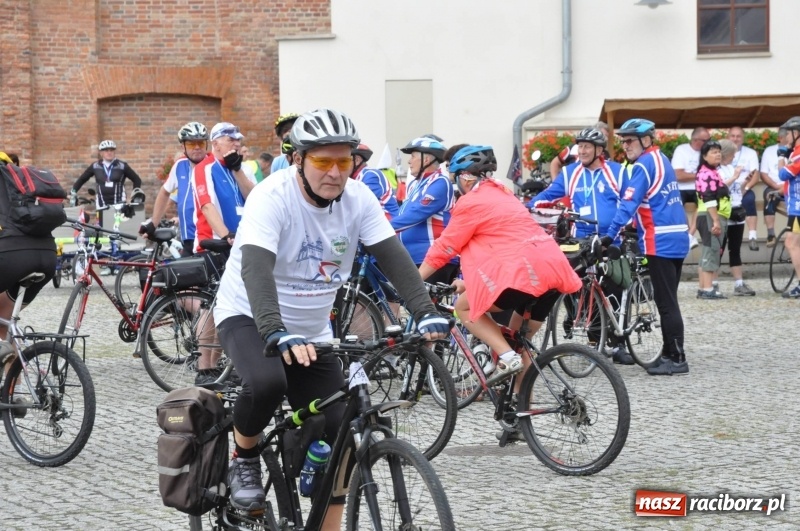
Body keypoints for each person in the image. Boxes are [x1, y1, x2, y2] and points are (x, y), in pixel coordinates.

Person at [212, 108, 448, 528]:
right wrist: (275, 331)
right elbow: (256, 270)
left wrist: (425, 313)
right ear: (299, 160)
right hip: (249, 313)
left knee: (340, 427)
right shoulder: (272, 196)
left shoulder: (358, 199)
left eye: (345, 160)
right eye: (324, 161)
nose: (336, 172)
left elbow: (393, 258)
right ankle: (245, 457)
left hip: (312, 328)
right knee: (267, 382)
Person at [419, 145, 581, 439]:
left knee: (464, 308)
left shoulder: (471, 203)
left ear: (466, 178)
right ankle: (520, 416)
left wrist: (414, 282)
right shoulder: (503, 193)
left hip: (524, 276)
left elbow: (444, 248)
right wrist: (468, 283)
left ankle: (505, 356)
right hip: (552, 270)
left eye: (456, 177)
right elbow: (505, 245)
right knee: (523, 341)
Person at [528, 127, 632, 364]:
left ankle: (618, 343)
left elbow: (629, 202)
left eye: (587, 147)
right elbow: (547, 195)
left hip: (610, 239)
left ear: (599, 150)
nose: (582, 151)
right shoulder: (570, 173)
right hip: (581, 241)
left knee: (613, 290)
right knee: (579, 287)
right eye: (580, 146)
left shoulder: (617, 172)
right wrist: (526, 208)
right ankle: (594, 341)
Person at [601, 118, 689, 376]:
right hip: (677, 236)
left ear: (646, 139)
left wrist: (609, 236)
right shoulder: (662, 159)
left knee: (666, 302)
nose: (625, 145)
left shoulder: (643, 166)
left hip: (659, 240)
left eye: (629, 140)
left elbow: (627, 204)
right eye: (623, 141)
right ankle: (669, 351)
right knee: (668, 299)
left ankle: (677, 358)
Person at [191, 122, 256, 383]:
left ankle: (217, 367)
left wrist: (238, 167)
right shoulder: (205, 167)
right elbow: (206, 205)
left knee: (232, 306)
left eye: (239, 140)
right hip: (214, 243)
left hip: (238, 245)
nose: (237, 144)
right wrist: (226, 234)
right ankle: (203, 367)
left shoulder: (236, 169)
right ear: (216, 143)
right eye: (231, 140)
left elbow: (254, 197)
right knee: (212, 305)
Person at [0, 152, 57, 363]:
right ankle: (13, 392)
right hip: (47, 257)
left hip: (12, 255)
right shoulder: (20, 184)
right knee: (4, 322)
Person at [390, 136, 458, 284]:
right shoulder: (416, 185)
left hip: (431, 258)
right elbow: (402, 214)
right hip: (414, 258)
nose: (409, 161)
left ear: (426, 160)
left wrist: (382, 228)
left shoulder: (440, 182)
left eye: (413, 156)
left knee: (422, 306)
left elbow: (417, 213)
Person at [141, 122, 208, 256]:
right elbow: (164, 192)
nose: (196, 147)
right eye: (190, 144)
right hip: (188, 236)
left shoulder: (213, 165)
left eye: (200, 143)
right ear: (183, 146)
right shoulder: (179, 166)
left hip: (209, 237)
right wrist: (154, 223)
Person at [70, 139, 143, 227]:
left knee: (117, 228)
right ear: (101, 153)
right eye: (106, 150)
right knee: (103, 229)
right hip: (101, 204)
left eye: (111, 150)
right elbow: (82, 179)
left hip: (119, 203)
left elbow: (137, 179)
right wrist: (73, 192)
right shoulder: (95, 166)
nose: (109, 152)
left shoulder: (122, 166)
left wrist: (135, 196)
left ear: (114, 152)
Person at [718, 139, 756, 296]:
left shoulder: (729, 168)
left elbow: (735, 189)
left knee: (735, 249)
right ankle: (711, 284)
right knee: (718, 250)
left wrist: (744, 182)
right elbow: (719, 189)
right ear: (726, 154)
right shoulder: (717, 170)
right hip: (724, 212)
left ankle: (739, 283)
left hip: (737, 210)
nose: (734, 157)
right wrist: (735, 177)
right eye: (733, 154)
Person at [694, 140, 731, 299]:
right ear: (704, 156)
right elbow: (709, 199)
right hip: (711, 216)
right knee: (711, 251)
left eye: (718, 151)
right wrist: (716, 221)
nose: (717, 154)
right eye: (713, 152)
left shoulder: (710, 171)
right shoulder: (707, 173)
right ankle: (708, 289)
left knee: (708, 250)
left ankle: (703, 288)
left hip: (709, 215)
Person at [671, 127, 711, 250]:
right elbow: (678, 175)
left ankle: (689, 236)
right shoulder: (681, 150)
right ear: (695, 140)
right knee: (676, 205)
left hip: (699, 187)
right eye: (706, 141)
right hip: (681, 188)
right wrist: (700, 175)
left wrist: (690, 175)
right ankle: (684, 236)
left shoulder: (708, 152)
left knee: (705, 203)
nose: (708, 143)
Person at [726, 126, 761, 251]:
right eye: (733, 136)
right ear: (728, 137)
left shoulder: (750, 153)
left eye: (738, 136)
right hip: (726, 188)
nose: (735, 139)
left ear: (743, 138)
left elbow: (755, 174)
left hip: (744, 187)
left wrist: (745, 188)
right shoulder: (722, 152)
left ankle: (752, 236)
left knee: (749, 200)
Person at [777, 116, 800, 298]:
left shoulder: (798, 152)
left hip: (798, 207)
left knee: (792, 242)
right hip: (795, 204)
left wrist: (781, 157)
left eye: (789, 133)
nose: (786, 138)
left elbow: (784, 174)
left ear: (796, 133)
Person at [351, 143, 399, 218]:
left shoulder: (370, 175)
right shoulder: (355, 178)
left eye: (345, 160)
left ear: (357, 160)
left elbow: (360, 205)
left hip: (388, 221)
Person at [760, 128, 790, 247]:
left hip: (793, 187)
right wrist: (776, 186)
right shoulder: (769, 151)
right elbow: (763, 174)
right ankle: (771, 234)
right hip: (775, 185)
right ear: (781, 138)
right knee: (769, 196)